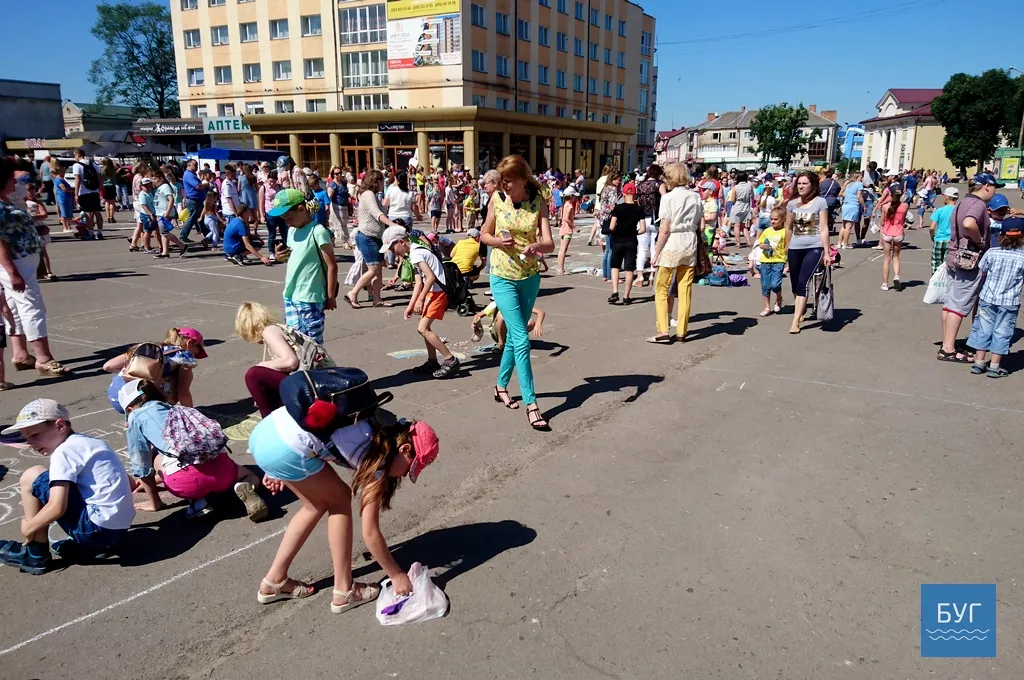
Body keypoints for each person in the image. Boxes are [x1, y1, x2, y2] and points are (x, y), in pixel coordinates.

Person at [249, 405, 439, 613]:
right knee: (339, 500)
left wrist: (274, 463)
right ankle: (344, 591)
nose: (404, 475)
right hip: (287, 448)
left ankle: (274, 582)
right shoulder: (378, 458)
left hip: (268, 433)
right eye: (410, 468)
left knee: (314, 506)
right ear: (404, 449)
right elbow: (370, 532)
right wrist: (396, 575)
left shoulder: (376, 425)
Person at [0, 399, 134, 574]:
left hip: (94, 530)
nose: (30, 444)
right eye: (26, 439)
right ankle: (94, 546)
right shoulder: (91, 443)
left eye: (35, 435)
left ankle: (35, 553)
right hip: (118, 529)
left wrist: (30, 527)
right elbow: (129, 482)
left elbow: (57, 507)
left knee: (32, 475)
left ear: (60, 426)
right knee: (51, 482)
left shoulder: (63, 452)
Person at [119, 379, 269, 520]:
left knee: (157, 456)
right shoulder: (178, 409)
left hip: (186, 483)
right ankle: (244, 486)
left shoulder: (136, 417)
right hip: (224, 473)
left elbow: (141, 466)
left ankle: (198, 502)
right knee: (251, 476)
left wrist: (154, 502)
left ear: (130, 409)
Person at [479, 155, 555, 429]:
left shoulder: (538, 201)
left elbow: (550, 244)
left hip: (529, 276)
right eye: (501, 182)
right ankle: (532, 404)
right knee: (521, 338)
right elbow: (483, 235)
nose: (504, 186)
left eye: (508, 181)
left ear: (523, 178)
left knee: (514, 336)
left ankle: (500, 386)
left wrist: (536, 246)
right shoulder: (497, 200)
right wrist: (498, 241)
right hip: (502, 275)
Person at [0, 159, 69, 377]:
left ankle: (20, 354)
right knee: (31, 306)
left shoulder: (6, 200)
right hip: (16, 263)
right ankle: (43, 358)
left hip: (22, 260)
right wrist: (12, 272)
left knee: (14, 307)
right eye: (11, 178)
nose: (15, 181)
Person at [382, 227, 460, 378]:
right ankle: (432, 361)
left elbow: (430, 277)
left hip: (438, 292)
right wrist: (411, 306)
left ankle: (450, 359)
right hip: (434, 291)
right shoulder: (416, 250)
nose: (392, 251)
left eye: (392, 247)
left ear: (401, 242)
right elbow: (418, 283)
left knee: (423, 328)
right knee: (425, 328)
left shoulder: (416, 253)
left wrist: (421, 298)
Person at [939, 173, 1000, 363]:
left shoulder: (963, 202)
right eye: (994, 186)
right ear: (986, 187)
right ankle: (948, 349)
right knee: (959, 305)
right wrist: (980, 242)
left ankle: (947, 343)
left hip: (954, 255)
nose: (995, 190)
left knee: (951, 302)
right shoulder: (978, 205)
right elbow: (968, 223)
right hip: (968, 260)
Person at [265, 189, 338, 343]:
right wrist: (281, 257)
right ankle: (301, 368)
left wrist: (330, 296)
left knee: (313, 344)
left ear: (301, 209)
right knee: (295, 342)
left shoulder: (318, 231)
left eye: (289, 217)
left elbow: (331, 265)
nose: (287, 222)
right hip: (291, 295)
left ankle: (317, 368)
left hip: (310, 297)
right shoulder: (291, 231)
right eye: (284, 219)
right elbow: (296, 259)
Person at [236, 301, 333, 416]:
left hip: (311, 384)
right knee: (265, 378)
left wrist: (262, 364)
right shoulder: (278, 328)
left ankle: (269, 422)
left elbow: (290, 362)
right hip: (318, 378)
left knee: (253, 375)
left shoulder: (269, 331)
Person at [648, 162, 702, 344]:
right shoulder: (696, 197)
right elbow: (700, 224)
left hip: (673, 242)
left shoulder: (668, 198)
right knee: (685, 289)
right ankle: (682, 331)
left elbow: (664, 228)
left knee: (662, 288)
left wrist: (656, 253)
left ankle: (663, 330)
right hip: (690, 241)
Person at [966, 217, 1024, 377]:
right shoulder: (1023, 257)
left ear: (1001, 235)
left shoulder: (992, 253)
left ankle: (979, 362)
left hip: (988, 297)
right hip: (1009, 301)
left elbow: (982, 268)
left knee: (983, 328)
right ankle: (994, 365)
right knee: (1002, 331)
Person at [345, 170, 402, 310]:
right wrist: (394, 225)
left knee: (379, 269)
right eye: (382, 181)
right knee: (374, 269)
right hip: (367, 236)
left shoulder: (374, 195)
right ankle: (353, 293)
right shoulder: (368, 194)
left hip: (375, 237)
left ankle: (377, 299)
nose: (384, 184)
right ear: (376, 182)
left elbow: (382, 209)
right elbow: (378, 214)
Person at [785, 171, 831, 334]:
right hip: (795, 247)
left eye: (805, 183)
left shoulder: (820, 202)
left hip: (814, 246)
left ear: (812, 185)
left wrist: (826, 252)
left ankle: (795, 321)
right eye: (799, 183)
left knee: (803, 282)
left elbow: (824, 228)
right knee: (795, 283)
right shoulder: (792, 204)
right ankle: (801, 307)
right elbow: (788, 227)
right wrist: (786, 247)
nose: (801, 186)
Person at [607, 181, 646, 305]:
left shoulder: (618, 209)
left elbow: (612, 226)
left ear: (623, 194)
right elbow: (643, 228)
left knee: (615, 266)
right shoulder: (639, 209)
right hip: (631, 241)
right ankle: (626, 296)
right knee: (629, 269)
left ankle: (614, 291)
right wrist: (635, 233)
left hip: (618, 240)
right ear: (635, 195)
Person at [635, 165, 666, 286]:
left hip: (642, 219)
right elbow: (665, 198)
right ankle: (653, 275)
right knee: (655, 247)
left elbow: (637, 200)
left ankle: (640, 276)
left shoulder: (641, 184)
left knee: (641, 249)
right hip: (656, 218)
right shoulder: (659, 184)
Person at [471, 300, 545, 348]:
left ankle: (517, 339)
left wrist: (538, 324)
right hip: (497, 332)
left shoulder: (519, 302)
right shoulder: (497, 303)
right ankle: (500, 343)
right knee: (502, 316)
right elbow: (477, 315)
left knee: (531, 322)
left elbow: (540, 312)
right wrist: (476, 324)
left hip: (511, 330)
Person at [757, 206, 788, 316]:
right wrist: (762, 246)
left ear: (783, 219)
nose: (773, 221)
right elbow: (760, 243)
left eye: (775, 219)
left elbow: (787, 247)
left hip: (779, 261)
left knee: (775, 284)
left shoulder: (785, 232)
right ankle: (767, 307)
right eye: (771, 219)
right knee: (765, 285)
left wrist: (787, 262)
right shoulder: (767, 231)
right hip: (765, 261)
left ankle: (779, 298)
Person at [152, 173, 189, 259]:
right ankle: (165, 252)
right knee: (163, 233)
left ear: (161, 178)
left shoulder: (165, 186)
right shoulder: (159, 188)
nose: (153, 181)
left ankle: (182, 246)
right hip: (160, 213)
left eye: (155, 179)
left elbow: (171, 199)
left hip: (165, 213)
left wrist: (167, 212)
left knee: (164, 232)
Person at [596, 172, 623, 281]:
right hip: (611, 220)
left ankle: (605, 275)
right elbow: (613, 206)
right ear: (612, 179)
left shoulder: (605, 188)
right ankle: (611, 275)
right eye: (618, 179)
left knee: (607, 249)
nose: (619, 182)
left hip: (604, 219)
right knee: (611, 248)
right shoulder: (612, 190)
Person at [880, 187, 908, 291]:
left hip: (888, 233)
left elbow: (882, 222)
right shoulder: (904, 206)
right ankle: (896, 275)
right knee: (896, 257)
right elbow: (903, 219)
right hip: (898, 233)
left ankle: (885, 284)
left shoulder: (885, 207)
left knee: (886, 259)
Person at [72, 149, 103, 239]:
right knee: (97, 212)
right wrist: (99, 189)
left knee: (88, 214)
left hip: (84, 192)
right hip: (94, 191)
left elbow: (77, 180)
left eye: (74, 155)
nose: (74, 158)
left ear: (78, 154)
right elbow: (101, 178)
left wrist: (76, 193)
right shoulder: (93, 164)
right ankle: (100, 232)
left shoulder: (77, 165)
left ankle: (91, 233)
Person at [180, 158, 210, 243]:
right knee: (192, 218)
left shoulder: (192, 174)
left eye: (197, 165)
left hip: (197, 199)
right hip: (193, 200)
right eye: (195, 165)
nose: (197, 167)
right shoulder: (188, 175)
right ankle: (183, 235)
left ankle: (207, 234)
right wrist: (206, 184)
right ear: (189, 165)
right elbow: (198, 186)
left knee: (200, 218)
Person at [929, 187, 958, 273]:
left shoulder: (940, 210)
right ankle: (946, 282)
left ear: (946, 197)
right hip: (952, 240)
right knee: (948, 264)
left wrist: (932, 237)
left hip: (939, 239)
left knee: (936, 263)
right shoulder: (958, 210)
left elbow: (932, 227)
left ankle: (935, 282)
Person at [838, 171, 866, 249]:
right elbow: (859, 196)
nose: (862, 178)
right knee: (849, 226)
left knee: (843, 225)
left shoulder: (849, 184)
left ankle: (839, 242)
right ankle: (845, 243)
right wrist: (864, 205)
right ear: (857, 178)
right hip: (853, 206)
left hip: (846, 205)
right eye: (861, 177)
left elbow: (842, 194)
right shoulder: (859, 184)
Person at [555, 186, 579, 275]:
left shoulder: (565, 204)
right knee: (563, 250)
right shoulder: (569, 206)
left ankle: (560, 268)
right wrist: (574, 227)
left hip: (563, 228)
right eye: (574, 196)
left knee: (561, 250)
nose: (575, 198)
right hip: (567, 229)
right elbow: (566, 218)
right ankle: (561, 269)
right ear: (571, 196)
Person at [327, 166, 351, 248]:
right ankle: (345, 242)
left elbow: (345, 192)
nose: (339, 175)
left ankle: (333, 239)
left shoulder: (343, 183)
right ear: (333, 175)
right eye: (336, 173)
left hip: (344, 206)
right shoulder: (332, 184)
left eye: (340, 173)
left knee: (343, 224)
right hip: (336, 206)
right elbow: (329, 196)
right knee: (339, 225)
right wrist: (328, 208)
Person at [51, 160, 75, 234]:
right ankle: (65, 227)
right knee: (64, 212)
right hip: (62, 197)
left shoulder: (62, 179)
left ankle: (69, 225)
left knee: (68, 212)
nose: (64, 173)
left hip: (67, 197)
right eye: (64, 172)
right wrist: (73, 191)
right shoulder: (58, 180)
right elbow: (64, 189)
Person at [101, 158, 118, 224]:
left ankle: (108, 217)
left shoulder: (102, 169)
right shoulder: (112, 169)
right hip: (112, 185)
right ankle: (112, 217)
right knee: (112, 202)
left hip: (105, 186)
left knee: (107, 201)